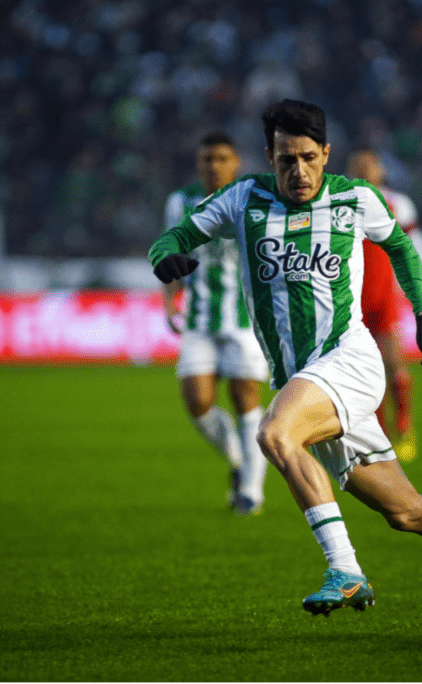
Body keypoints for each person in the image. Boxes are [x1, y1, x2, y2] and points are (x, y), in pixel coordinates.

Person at [149, 99, 422, 615]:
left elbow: (402, 249)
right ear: (269, 156)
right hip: (302, 378)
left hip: (349, 360)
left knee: (275, 434)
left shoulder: (355, 199)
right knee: (406, 512)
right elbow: (174, 236)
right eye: (287, 159)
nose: (299, 171)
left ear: (326, 153)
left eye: (310, 158)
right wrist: (166, 258)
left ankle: (346, 569)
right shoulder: (242, 198)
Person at [160, 132, 270, 516]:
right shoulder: (181, 201)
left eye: (222, 158)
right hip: (199, 318)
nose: (214, 165)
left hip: (245, 319)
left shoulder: (253, 197)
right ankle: (238, 456)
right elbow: (171, 249)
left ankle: (251, 491)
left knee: (245, 399)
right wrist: (168, 297)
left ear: (236, 162)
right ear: (198, 163)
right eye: (207, 158)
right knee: (198, 403)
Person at [345, 147, 422, 462]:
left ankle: (404, 424)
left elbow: (415, 247)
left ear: (381, 170)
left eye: (371, 164)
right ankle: (380, 433)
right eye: (359, 164)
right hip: (351, 300)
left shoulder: (398, 203)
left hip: (383, 297)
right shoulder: (341, 202)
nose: (366, 169)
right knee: (366, 371)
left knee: (394, 362)